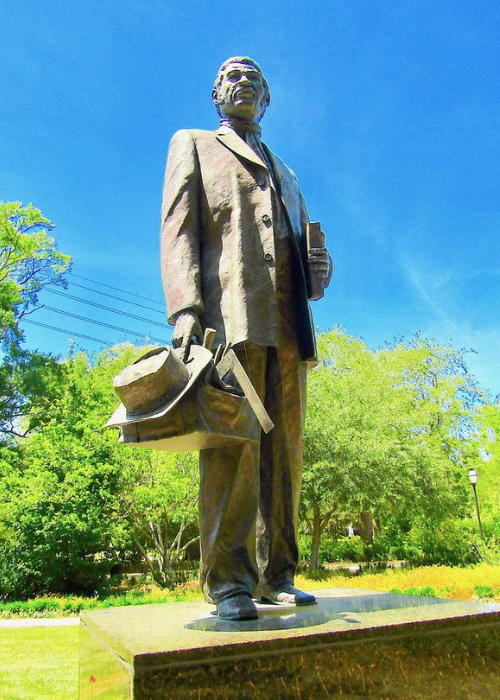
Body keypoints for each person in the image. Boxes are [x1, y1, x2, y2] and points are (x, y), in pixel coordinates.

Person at [160, 56, 332, 620]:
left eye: (255, 81)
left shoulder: (289, 174)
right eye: (232, 77)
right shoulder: (192, 144)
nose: (243, 85)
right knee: (234, 449)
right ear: (216, 94)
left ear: (267, 100)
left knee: (286, 455)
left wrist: (318, 272)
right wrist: (185, 309)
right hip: (229, 319)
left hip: (289, 327)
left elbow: (298, 251)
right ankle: (229, 581)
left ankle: (277, 572)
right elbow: (180, 230)